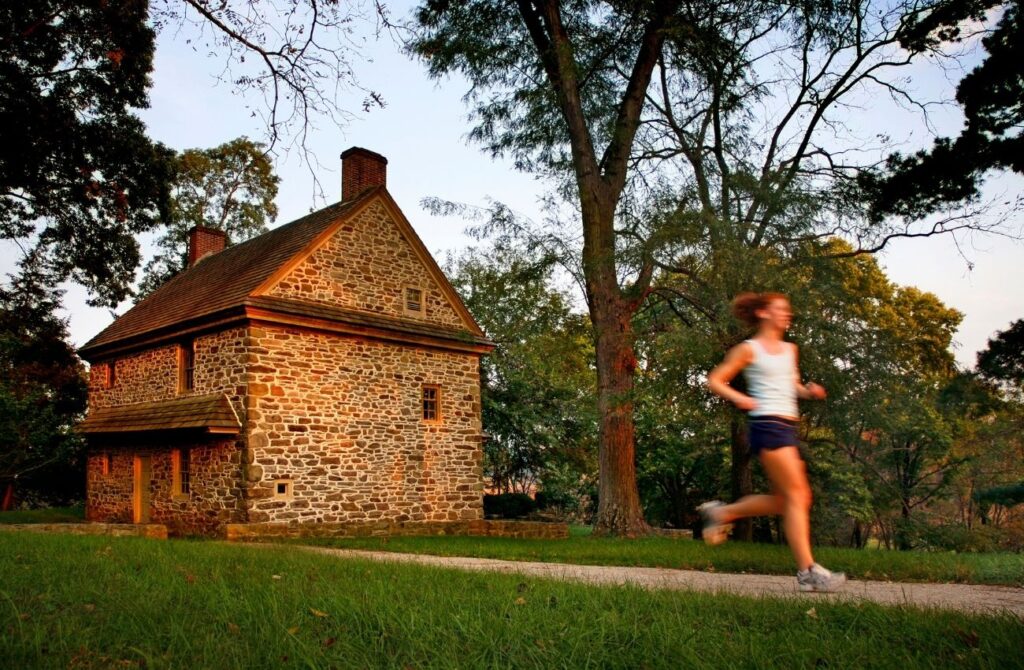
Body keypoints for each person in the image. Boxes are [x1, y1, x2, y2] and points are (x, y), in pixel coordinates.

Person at [700, 292, 846, 593]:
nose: (787, 314)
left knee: (787, 501)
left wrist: (808, 391)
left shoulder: (791, 350)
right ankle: (808, 571)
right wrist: (743, 400)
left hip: (787, 425)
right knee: (798, 495)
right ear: (764, 313)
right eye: (781, 309)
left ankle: (723, 513)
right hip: (768, 425)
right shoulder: (748, 349)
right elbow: (715, 380)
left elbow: (791, 385)